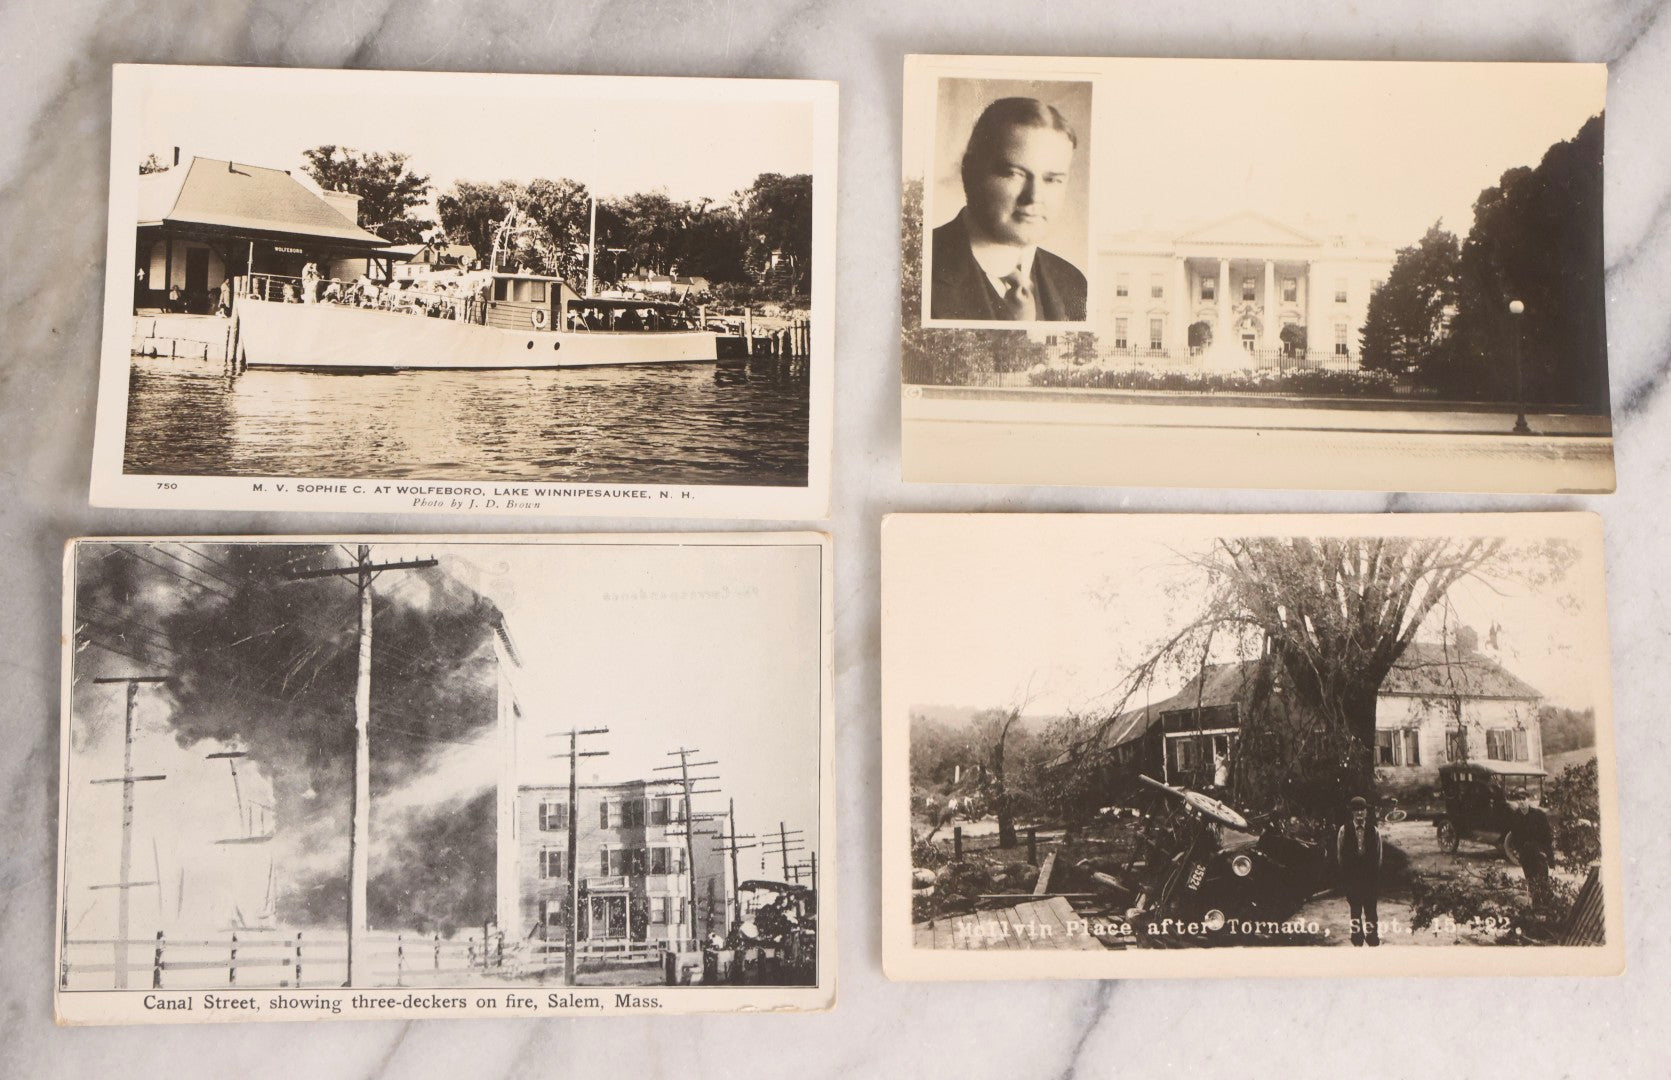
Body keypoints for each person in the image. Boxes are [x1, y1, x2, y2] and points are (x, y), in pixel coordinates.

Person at [930, 96, 1087, 322]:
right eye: (1014, 173)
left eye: (1052, 180)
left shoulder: (1075, 284)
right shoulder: (920, 268)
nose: (1033, 197)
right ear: (969, 172)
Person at [1336, 795, 1383, 946]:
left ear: (1366, 812)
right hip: (1353, 879)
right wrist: (1347, 876)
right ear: (1352, 813)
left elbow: (1379, 855)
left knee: (1371, 911)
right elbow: (1340, 855)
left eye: (1362, 810)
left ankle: (1373, 939)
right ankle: (1357, 940)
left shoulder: (1373, 831)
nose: (1360, 814)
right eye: (1356, 811)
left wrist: (1373, 874)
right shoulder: (1344, 830)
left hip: (1369, 878)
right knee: (1355, 910)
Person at [1508, 788, 1555, 904]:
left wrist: (1549, 857)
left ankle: (1546, 907)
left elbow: (1547, 837)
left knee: (1543, 882)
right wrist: (1519, 853)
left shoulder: (1539, 815)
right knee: (1531, 883)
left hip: (1539, 855)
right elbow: (1514, 837)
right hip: (1526, 856)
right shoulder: (1515, 817)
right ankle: (1536, 908)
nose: (1521, 802)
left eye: (1523, 799)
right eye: (1518, 800)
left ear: (1529, 799)